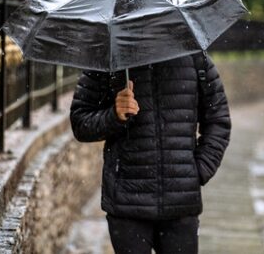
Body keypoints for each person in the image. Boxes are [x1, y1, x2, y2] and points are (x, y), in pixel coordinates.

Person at [70, 52, 231, 254]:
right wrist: (115, 115)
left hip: (180, 204)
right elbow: (80, 122)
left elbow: (218, 120)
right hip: (127, 201)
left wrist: (198, 170)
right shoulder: (108, 60)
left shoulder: (194, 57)